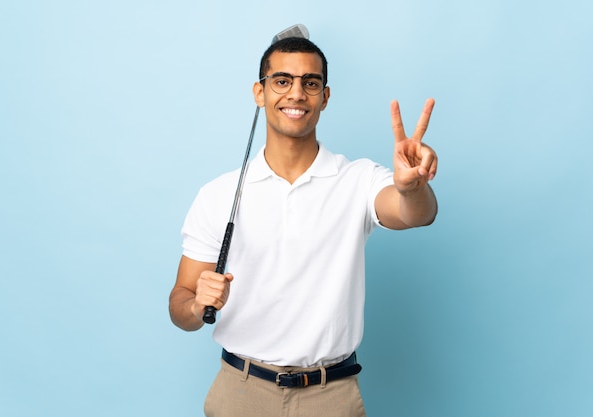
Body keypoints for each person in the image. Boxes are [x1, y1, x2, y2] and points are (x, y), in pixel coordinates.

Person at [169, 34, 438, 417]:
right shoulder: (218, 193)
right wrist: (196, 304)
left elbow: (415, 214)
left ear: (324, 97)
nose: (296, 93)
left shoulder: (358, 179)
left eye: (310, 83)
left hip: (331, 395)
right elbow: (179, 303)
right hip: (240, 393)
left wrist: (412, 187)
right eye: (282, 81)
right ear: (259, 93)